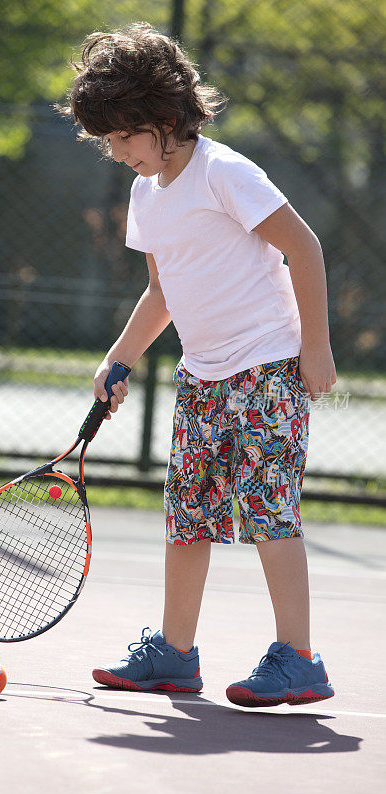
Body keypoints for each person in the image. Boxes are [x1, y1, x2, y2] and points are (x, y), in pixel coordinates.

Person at [58, 22, 337, 706]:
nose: (116, 153)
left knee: (269, 510)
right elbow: (162, 291)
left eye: (123, 137)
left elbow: (302, 248)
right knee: (188, 516)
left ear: (161, 118)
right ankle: (175, 654)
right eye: (107, 142)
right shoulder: (145, 194)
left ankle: (298, 657)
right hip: (202, 375)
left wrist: (316, 347)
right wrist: (119, 356)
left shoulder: (225, 173)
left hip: (269, 367)